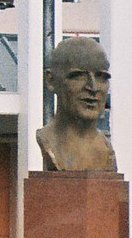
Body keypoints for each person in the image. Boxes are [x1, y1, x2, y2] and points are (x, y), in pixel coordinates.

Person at [36, 36, 118, 171]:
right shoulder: (48, 141)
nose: (93, 87)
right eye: (78, 76)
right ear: (51, 81)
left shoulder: (106, 150)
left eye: (101, 77)